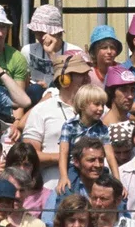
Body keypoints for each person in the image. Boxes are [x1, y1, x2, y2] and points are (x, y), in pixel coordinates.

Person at [23, 51, 88, 190]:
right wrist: (65, 157)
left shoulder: (97, 109)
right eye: (82, 75)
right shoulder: (42, 110)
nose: (88, 79)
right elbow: (28, 156)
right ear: (65, 79)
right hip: (51, 191)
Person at [57, 85, 119, 192]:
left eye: (103, 105)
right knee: (67, 191)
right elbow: (63, 153)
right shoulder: (70, 126)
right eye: (96, 104)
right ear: (82, 105)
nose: (101, 109)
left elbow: (109, 155)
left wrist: (117, 180)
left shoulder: (102, 128)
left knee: (115, 193)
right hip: (74, 168)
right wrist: (63, 176)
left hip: (97, 168)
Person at [20, 4, 81, 86]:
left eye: (44, 32)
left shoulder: (74, 52)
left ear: (56, 32)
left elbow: (71, 85)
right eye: (37, 33)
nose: (41, 37)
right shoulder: (28, 50)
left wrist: (51, 54)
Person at [102, 65, 135, 136]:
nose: (130, 96)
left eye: (133, 90)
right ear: (111, 92)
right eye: (124, 90)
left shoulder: (134, 124)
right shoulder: (104, 129)